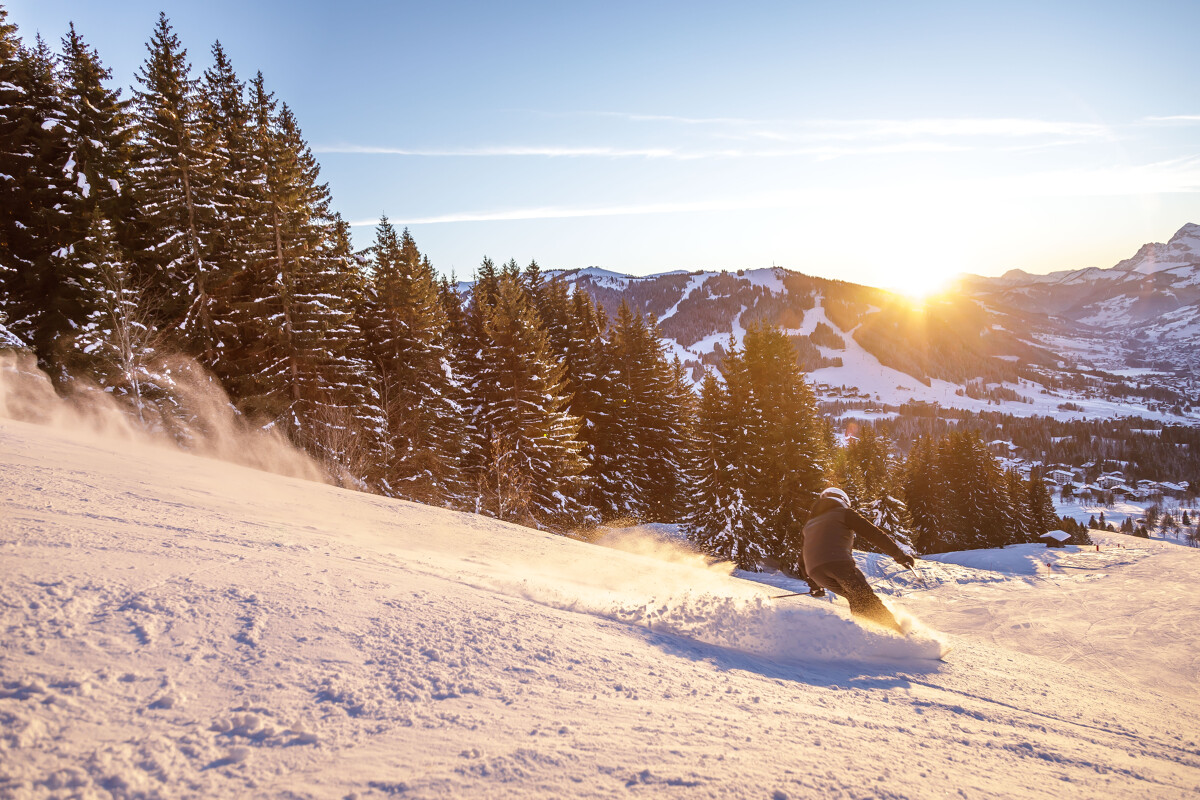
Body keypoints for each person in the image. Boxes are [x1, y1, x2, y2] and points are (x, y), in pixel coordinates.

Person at [802, 487, 915, 633]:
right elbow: (874, 534)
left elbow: (802, 558)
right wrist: (900, 556)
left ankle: (867, 634)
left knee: (855, 599)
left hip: (816, 572)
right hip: (839, 565)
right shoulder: (844, 513)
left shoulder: (809, 524)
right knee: (865, 598)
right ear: (843, 500)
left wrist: (815, 585)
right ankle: (897, 635)